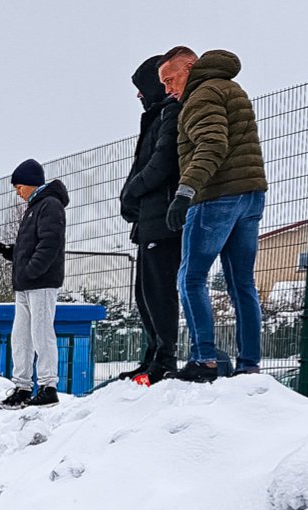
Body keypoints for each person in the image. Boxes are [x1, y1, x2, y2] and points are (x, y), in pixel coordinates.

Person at [163, 46, 269, 382]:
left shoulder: (202, 95)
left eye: (170, 79)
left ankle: (203, 359)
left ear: (190, 67)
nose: (169, 89)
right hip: (250, 196)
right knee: (242, 283)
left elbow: (212, 143)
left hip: (215, 197)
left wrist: (185, 191)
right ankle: (249, 364)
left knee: (191, 277)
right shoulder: (231, 88)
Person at [120, 53, 186, 386]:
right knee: (144, 293)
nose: (138, 95)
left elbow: (162, 164)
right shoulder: (156, 116)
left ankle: (166, 357)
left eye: (141, 87)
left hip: (164, 220)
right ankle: (153, 355)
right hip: (149, 220)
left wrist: (132, 192)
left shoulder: (170, 113)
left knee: (160, 291)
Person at [0, 159, 67, 408]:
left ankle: (48, 386)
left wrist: (32, 269)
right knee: (21, 336)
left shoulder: (50, 205)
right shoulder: (34, 207)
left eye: (19, 186)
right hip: (25, 284)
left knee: (41, 332)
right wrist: (10, 252)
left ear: (31, 183)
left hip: (40, 282)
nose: (18, 192)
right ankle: (22, 386)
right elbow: (32, 245)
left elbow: (49, 243)